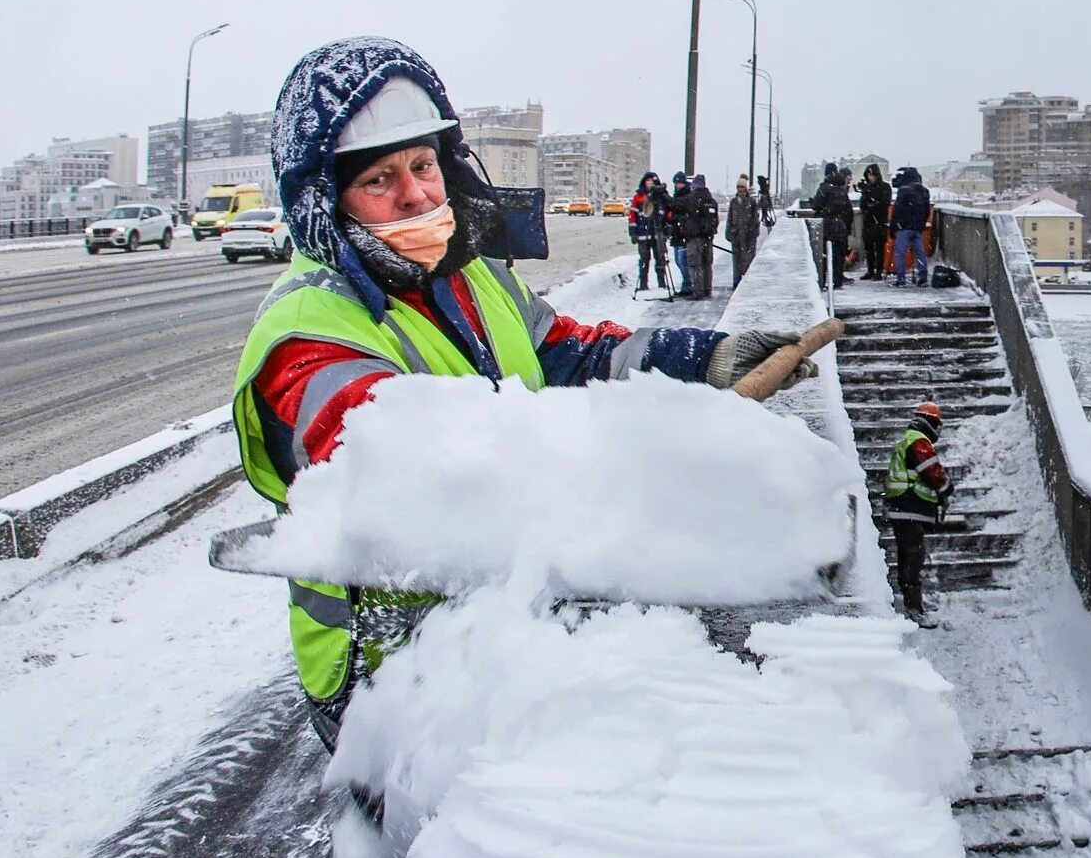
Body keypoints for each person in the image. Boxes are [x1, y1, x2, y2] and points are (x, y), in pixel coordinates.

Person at [232, 37, 826, 755]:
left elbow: (569, 353)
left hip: (503, 619)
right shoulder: (307, 335)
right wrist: (663, 461)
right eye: (381, 179)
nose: (417, 192)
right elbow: (419, 481)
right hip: (391, 678)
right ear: (327, 203)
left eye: (423, 165)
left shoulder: (466, 273)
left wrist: (708, 359)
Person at [883, 400, 953, 624]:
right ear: (932, 423)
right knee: (914, 556)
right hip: (908, 506)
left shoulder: (908, 439)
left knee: (908, 555)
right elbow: (931, 471)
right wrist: (945, 489)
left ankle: (913, 601)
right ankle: (914, 609)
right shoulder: (919, 442)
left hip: (902, 507)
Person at [627, 171, 670, 293]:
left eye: (652, 181)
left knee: (660, 259)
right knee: (644, 260)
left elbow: (668, 214)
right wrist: (633, 233)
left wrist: (666, 231)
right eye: (648, 181)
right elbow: (632, 216)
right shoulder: (639, 196)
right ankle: (643, 284)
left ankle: (662, 283)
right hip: (642, 234)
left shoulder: (661, 196)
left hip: (658, 234)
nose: (649, 184)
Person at [811, 164, 851, 289]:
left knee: (823, 254)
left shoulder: (824, 188)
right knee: (838, 254)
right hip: (841, 226)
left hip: (827, 225)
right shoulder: (841, 190)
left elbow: (817, 205)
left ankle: (822, 280)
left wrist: (814, 203)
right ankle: (838, 280)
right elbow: (848, 210)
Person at [892, 166, 932, 287]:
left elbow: (897, 210)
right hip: (917, 227)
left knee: (900, 252)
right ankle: (923, 277)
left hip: (903, 226)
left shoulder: (903, 191)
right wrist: (921, 222)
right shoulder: (924, 191)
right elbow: (927, 211)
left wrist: (894, 226)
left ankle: (901, 278)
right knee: (919, 253)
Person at [681, 170, 718, 300]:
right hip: (707, 238)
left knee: (695, 265)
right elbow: (715, 220)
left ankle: (697, 292)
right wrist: (709, 231)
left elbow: (675, 204)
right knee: (707, 264)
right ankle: (707, 290)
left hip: (694, 237)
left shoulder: (691, 199)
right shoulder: (711, 201)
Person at [856, 164, 891, 280]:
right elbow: (863, 205)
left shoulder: (885, 187)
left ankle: (879, 272)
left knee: (880, 248)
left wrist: (872, 205)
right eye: (868, 175)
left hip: (879, 221)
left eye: (872, 175)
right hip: (869, 222)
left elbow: (885, 202)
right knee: (869, 248)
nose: (870, 177)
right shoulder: (867, 188)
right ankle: (870, 271)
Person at [726, 174, 761, 288]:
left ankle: (747, 282)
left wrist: (753, 232)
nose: (740, 189)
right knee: (736, 260)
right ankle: (736, 281)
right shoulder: (734, 202)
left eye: (742, 187)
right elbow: (730, 218)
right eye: (738, 187)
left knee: (748, 259)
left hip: (748, 235)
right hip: (736, 234)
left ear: (745, 188)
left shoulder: (751, 202)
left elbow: (755, 219)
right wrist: (729, 232)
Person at [668, 172, 694, 295]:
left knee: (682, 261)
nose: (678, 185)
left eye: (680, 183)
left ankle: (688, 284)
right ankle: (686, 284)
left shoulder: (687, 195)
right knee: (679, 262)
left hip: (683, 233)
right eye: (676, 183)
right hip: (677, 233)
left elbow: (676, 204)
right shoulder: (677, 195)